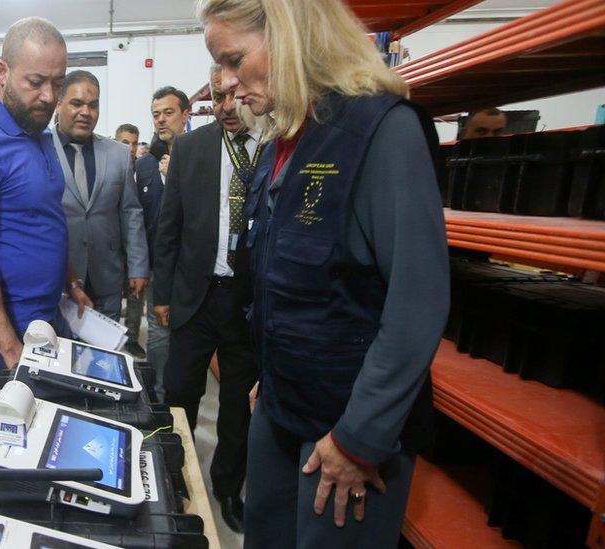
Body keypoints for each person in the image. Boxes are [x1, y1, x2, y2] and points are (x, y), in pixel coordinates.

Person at [201, 0, 450, 547]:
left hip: (347, 436)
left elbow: (417, 306)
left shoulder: (383, 132)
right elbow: (285, 280)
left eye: (235, 59)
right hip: (282, 409)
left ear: (291, 35)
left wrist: (359, 439)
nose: (227, 83)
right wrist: (277, 374)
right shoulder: (282, 141)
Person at [0, 17, 92, 397]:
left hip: (45, 315)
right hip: (4, 330)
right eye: (36, 82)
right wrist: (10, 350)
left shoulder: (38, 132)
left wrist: (70, 281)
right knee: (23, 440)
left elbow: (45, 218)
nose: (48, 96)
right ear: (2, 73)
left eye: (57, 83)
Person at [152, 65, 261, 533]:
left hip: (247, 301)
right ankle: (174, 480)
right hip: (195, 296)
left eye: (233, 97)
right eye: (216, 98)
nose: (225, 107)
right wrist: (162, 294)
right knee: (179, 393)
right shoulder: (191, 148)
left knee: (238, 404)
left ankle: (226, 488)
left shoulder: (274, 147)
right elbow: (169, 228)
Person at [52, 71, 149, 322]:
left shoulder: (117, 154)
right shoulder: (39, 149)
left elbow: (131, 212)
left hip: (107, 279)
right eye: (76, 103)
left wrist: (138, 266)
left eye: (93, 105)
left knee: (104, 358)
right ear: (58, 103)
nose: (86, 112)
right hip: (57, 282)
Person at [136, 86, 190, 400]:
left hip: (192, 266)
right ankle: (156, 398)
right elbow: (139, 218)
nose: (161, 120)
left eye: (168, 113)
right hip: (158, 265)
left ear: (185, 114)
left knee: (185, 336)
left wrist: (178, 177)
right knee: (157, 336)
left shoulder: (199, 158)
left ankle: (180, 393)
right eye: (156, 114)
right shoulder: (145, 165)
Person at [114, 123, 147, 358]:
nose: (131, 148)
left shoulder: (145, 169)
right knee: (114, 300)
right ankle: (114, 340)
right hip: (113, 248)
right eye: (126, 142)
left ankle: (132, 338)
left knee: (136, 299)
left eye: (135, 143)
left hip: (137, 245)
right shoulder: (110, 167)